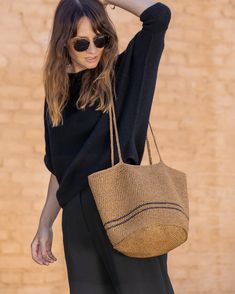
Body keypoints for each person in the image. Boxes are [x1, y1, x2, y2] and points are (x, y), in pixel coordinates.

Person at [31, 0, 174, 293]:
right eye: (81, 43)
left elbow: (158, 16)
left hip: (122, 204)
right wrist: (44, 224)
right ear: (64, 45)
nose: (93, 49)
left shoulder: (124, 74)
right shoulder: (56, 98)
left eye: (101, 38)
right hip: (77, 221)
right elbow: (60, 169)